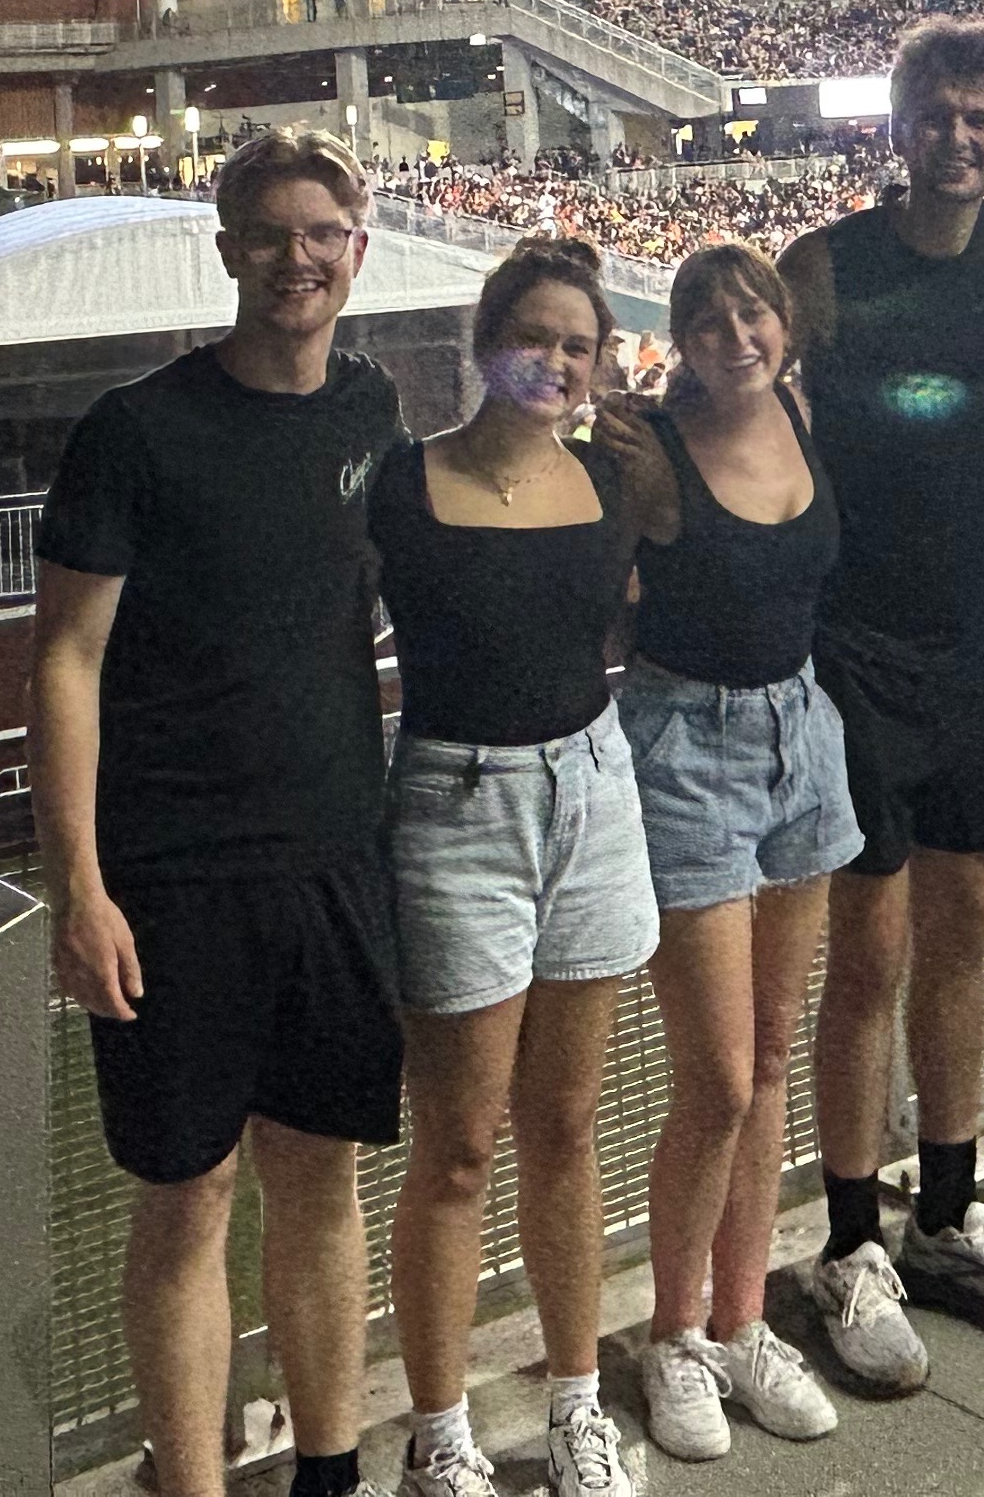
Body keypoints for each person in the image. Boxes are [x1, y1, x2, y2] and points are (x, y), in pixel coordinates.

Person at [34, 129, 405, 1497]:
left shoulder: (373, 410)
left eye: (321, 233)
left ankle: (328, 1474)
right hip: (175, 877)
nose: (296, 258)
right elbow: (64, 661)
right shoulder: (135, 433)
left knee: (320, 1179)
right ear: (227, 250)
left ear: (357, 250)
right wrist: (80, 886)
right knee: (187, 1198)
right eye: (268, 233)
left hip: (333, 861)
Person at [778, 18, 984, 1390]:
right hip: (853, 647)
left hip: (973, 638)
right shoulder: (825, 268)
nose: (961, 137)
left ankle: (949, 1219)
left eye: (983, 117)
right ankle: (851, 1244)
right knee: (870, 954)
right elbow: (738, 397)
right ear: (895, 131)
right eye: (938, 115)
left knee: (965, 931)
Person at [378, 242, 659, 1497]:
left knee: (567, 1124)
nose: (554, 361)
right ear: (485, 342)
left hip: (592, 793)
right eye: (533, 336)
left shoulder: (614, 478)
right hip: (454, 808)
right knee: (455, 1147)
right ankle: (439, 1430)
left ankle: (575, 1402)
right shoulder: (402, 485)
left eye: (577, 345)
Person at [609, 243, 860, 1462]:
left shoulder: (803, 414)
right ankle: (674, 1335)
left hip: (801, 737)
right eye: (707, 320)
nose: (735, 335)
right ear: (682, 339)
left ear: (785, 322)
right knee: (713, 1076)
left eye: (752, 311)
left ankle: (742, 1317)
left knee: (767, 1056)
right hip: (684, 747)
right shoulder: (649, 450)